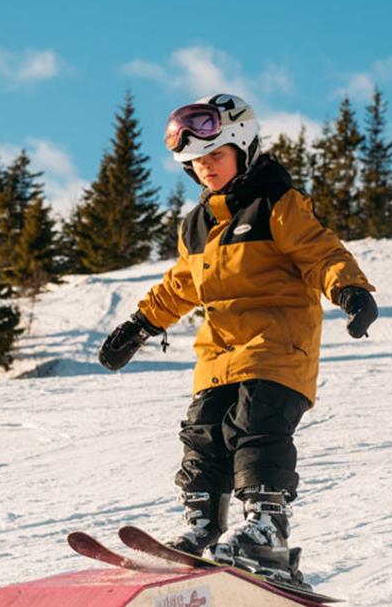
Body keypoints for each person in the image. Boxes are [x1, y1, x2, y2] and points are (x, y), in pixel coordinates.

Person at [97, 93, 377, 582]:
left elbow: (319, 252)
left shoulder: (278, 204)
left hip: (276, 346)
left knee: (257, 431)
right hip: (218, 352)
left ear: (243, 148)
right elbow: (181, 284)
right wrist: (140, 325)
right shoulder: (197, 225)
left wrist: (350, 289)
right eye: (196, 162)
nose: (206, 168)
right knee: (202, 435)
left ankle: (266, 528)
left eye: (216, 156)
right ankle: (202, 525)